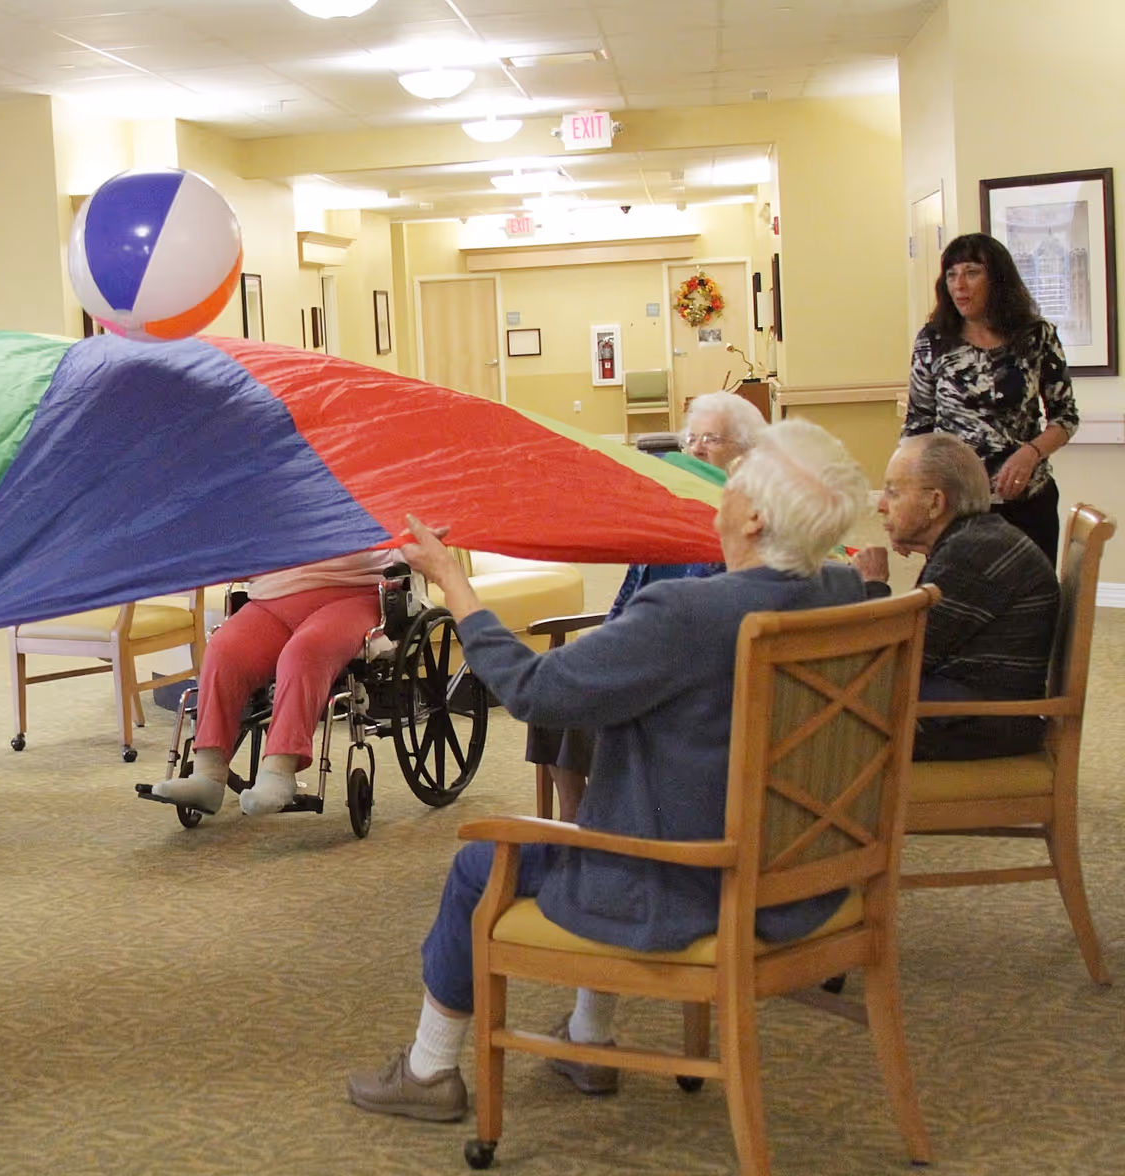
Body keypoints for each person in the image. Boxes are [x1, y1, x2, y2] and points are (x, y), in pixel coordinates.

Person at [347, 419, 869, 1119]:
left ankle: (428, 1069)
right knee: (609, 813)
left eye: (731, 479)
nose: (716, 485)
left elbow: (535, 692)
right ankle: (586, 1037)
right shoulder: (843, 592)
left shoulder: (689, 614)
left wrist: (453, 585)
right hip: (802, 875)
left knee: (483, 861)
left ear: (751, 514)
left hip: (680, 881)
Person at [529, 389, 765, 819]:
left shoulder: (744, 526)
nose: (695, 448)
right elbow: (629, 597)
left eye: (710, 439)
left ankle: (593, 823)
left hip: (688, 673)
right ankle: (575, 816)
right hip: (641, 649)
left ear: (745, 455)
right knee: (558, 675)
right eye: (690, 438)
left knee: (595, 691)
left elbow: (718, 622)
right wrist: (607, 643)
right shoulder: (666, 518)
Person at [854, 432, 1058, 760]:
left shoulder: (971, 555)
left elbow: (889, 661)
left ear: (935, 503)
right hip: (974, 705)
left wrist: (874, 585)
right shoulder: (977, 537)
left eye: (893, 492)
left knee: (823, 712)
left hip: (979, 723)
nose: (880, 505)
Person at [151, 548, 396, 817]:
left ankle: (279, 771)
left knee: (304, 651)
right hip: (273, 595)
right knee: (224, 651)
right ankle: (207, 774)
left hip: (352, 591)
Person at [904, 232, 1079, 558]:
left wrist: (1031, 453)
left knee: (1030, 602)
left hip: (1028, 502)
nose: (960, 285)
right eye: (952, 275)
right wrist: (908, 500)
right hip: (957, 507)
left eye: (971, 272)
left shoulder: (1036, 336)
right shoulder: (933, 341)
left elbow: (1065, 417)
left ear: (997, 278)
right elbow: (917, 427)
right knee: (961, 605)